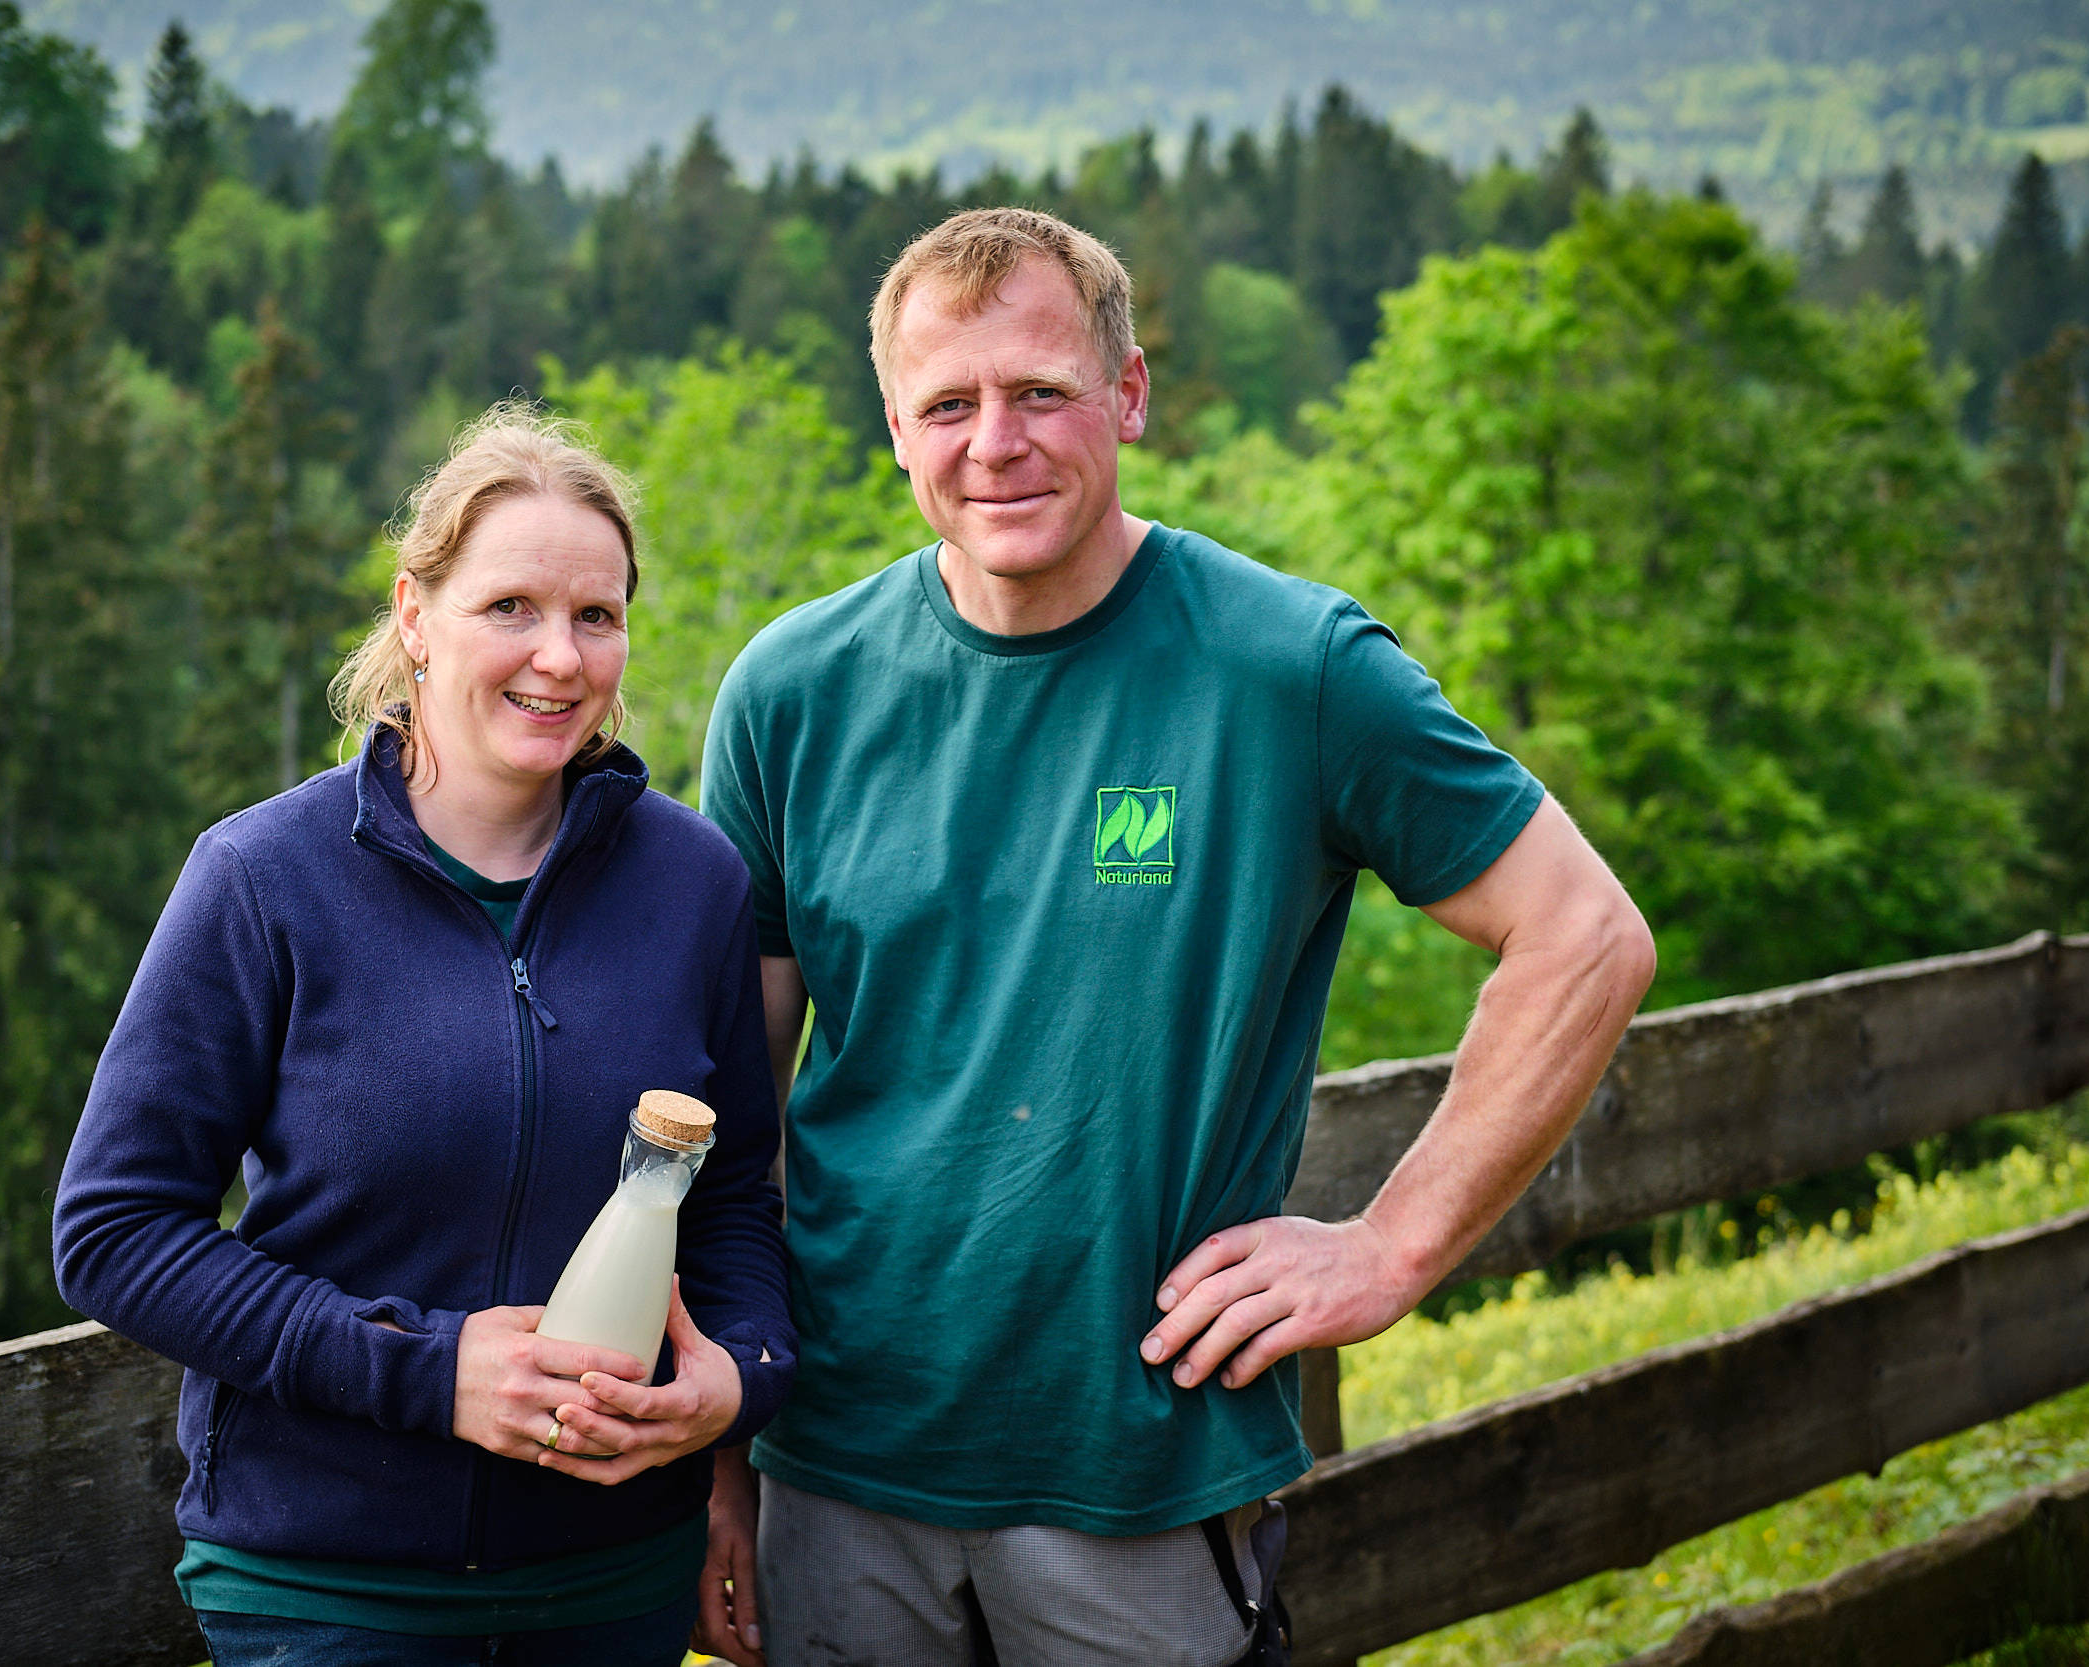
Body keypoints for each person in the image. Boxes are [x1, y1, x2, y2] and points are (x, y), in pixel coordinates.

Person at [691, 209, 1656, 1667]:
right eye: (947, 403)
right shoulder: (793, 692)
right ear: (894, 428)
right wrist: (720, 1457)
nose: (994, 441)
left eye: (1041, 391)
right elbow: (727, 1120)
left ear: (1129, 395)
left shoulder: (1290, 666)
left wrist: (1393, 1245)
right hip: (837, 1473)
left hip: (1140, 1476)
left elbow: (1585, 934)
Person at [53, 406, 793, 1667]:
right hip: (329, 1594)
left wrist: (741, 1375)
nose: (558, 656)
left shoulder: (695, 881)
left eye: (596, 616)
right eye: (510, 606)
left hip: (617, 1590)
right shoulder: (260, 878)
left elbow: (727, 1202)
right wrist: (429, 1369)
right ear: (413, 612)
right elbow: (113, 1232)